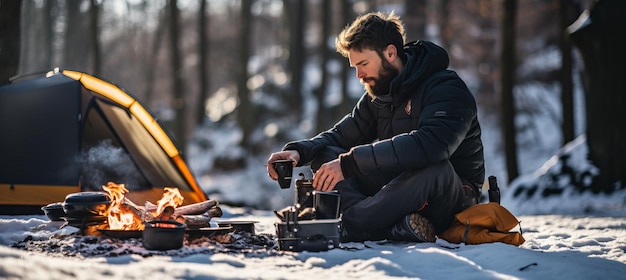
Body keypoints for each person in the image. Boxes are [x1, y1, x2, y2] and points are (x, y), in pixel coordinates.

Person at [267, 11, 485, 243]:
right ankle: (390, 225)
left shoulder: (447, 88)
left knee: (434, 168)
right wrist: (298, 152)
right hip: (395, 189)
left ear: (390, 53)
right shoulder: (379, 94)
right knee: (326, 156)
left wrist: (350, 163)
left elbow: (431, 146)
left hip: (451, 197)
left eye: (363, 64)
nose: (359, 75)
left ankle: (351, 225)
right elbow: (341, 136)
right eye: (354, 67)